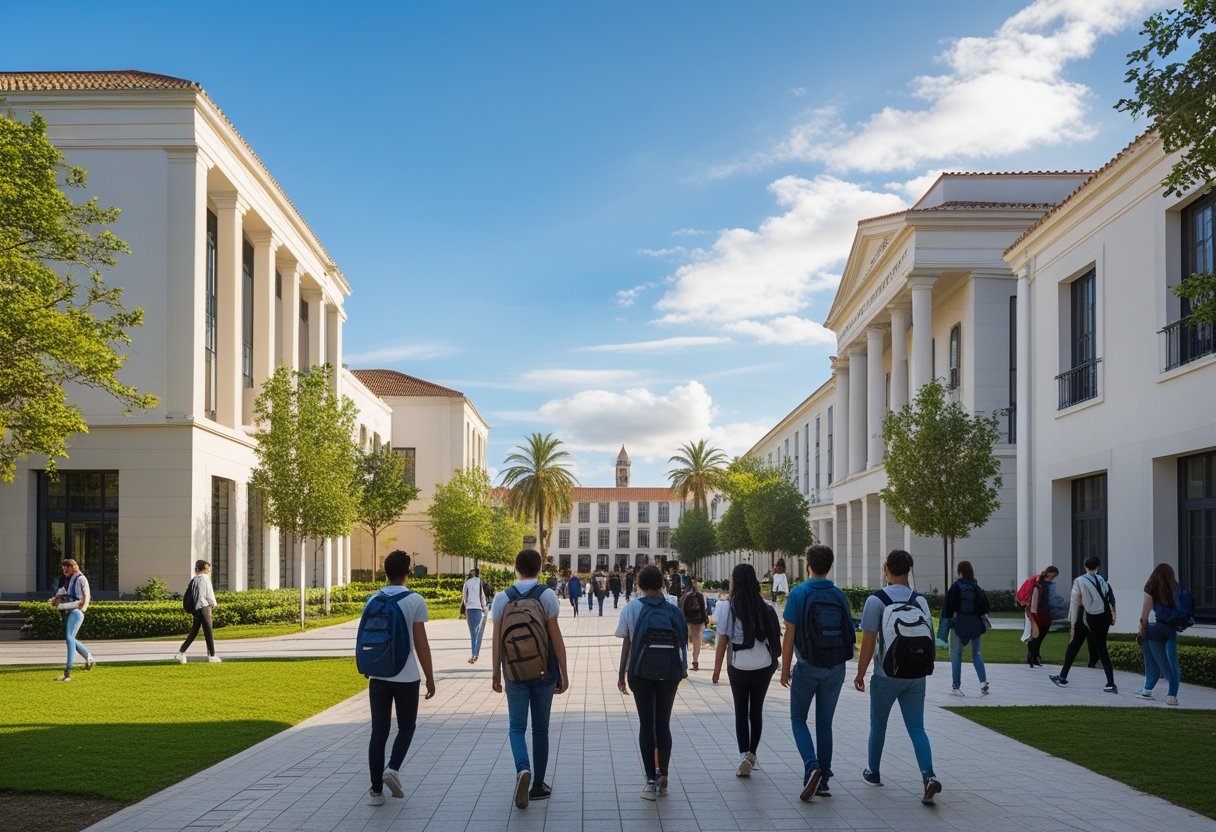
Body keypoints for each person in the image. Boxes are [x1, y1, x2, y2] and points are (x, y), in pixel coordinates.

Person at [854, 549, 942, 805]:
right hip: (916, 675)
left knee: (878, 726)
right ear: (909, 570)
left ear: (886, 569)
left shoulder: (876, 600)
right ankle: (928, 776)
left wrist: (860, 673)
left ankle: (873, 772)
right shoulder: (920, 600)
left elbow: (869, 643)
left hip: (886, 674)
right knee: (917, 728)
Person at [491, 548, 569, 809]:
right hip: (544, 671)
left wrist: (495, 673)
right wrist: (564, 672)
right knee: (541, 729)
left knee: (516, 727)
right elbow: (555, 636)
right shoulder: (546, 595)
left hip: (513, 672)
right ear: (540, 569)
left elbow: (496, 640)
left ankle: (523, 768)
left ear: (516, 568)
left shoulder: (503, 598)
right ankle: (538, 786)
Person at [362, 550, 435, 807]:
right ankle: (392, 768)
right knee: (406, 726)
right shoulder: (414, 600)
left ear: (385, 572)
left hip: (378, 675)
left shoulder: (373, 600)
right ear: (408, 572)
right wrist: (430, 678)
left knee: (378, 731)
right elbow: (422, 645)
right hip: (406, 675)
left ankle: (375, 792)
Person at [781, 544, 855, 800]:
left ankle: (811, 766)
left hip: (808, 666)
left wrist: (784, 669)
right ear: (829, 565)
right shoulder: (839, 595)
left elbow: (789, 634)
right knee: (825, 724)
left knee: (798, 720)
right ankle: (823, 780)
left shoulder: (799, 593)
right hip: (835, 667)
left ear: (808, 564)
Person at [617, 564, 688, 800]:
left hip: (640, 672)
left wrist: (621, 675)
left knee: (647, 724)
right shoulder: (673, 610)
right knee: (663, 723)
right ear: (662, 584)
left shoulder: (631, 608)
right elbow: (682, 643)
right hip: (669, 673)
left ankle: (650, 777)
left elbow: (627, 643)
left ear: (638, 585)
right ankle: (664, 773)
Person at [712, 563, 781, 778]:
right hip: (763, 665)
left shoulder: (727, 607)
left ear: (735, 581)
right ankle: (752, 754)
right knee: (756, 711)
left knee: (741, 711)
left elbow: (723, 640)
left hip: (738, 666)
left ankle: (743, 755)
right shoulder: (765, 606)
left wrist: (716, 671)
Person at [1050, 556, 1118, 694]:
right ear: (1098, 566)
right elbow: (1111, 599)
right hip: (1102, 618)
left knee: (1073, 646)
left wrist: (1072, 624)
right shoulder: (1103, 581)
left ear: (1085, 566)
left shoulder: (1079, 581)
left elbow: (1075, 604)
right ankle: (1111, 683)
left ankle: (1062, 677)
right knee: (1102, 648)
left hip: (1085, 618)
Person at [1137, 563, 1188, 706]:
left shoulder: (1151, 588)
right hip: (1171, 629)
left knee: (1153, 661)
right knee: (1172, 664)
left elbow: (1145, 615)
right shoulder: (1175, 589)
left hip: (1154, 630)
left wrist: (1142, 629)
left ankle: (1147, 690)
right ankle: (1172, 695)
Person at [939, 561, 989, 696]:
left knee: (956, 654)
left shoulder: (955, 587)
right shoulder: (976, 586)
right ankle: (983, 682)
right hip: (975, 624)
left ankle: (956, 687)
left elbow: (947, 609)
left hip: (958, 623)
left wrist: (945, 627)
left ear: (959, 572)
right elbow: (984, 608)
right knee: (976, 652)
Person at [50, 558, 94, 681]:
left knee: (69, 639)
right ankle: (88, 656)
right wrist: (55, 600)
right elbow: (57, 597)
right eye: (63, 569)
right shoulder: (69, 582)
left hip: (76, 613)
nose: (64, 571)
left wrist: (61, 605)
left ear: (74, 567)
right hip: (70, 612)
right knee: (71, 639)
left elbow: (83, 601)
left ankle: (67, 672)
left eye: (67, 568)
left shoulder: (81, 579)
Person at [176, 560, 220, 664]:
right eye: (208, 569)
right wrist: (213, 604)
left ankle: (181, 652)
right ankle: (212, 656)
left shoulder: (194, 580)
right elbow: (209, 594)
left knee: (194, 632)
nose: (209, 570)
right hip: (205, 608)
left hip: (196, 609)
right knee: (208, 632)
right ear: (205, 569)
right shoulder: (205, 579)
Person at [1024, 566, 1059, 667]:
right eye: (1053, 575)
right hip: (1038, 614)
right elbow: (1034, 604)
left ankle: (1034, 656)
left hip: (1045, 613)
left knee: (1039, 637)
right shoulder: (1038, 585)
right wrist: (1034, 616)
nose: (1054, 578)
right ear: (1049, 573)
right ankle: (1032, 657)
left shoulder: (1047, 585)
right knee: (1037, 636)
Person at [680, 577, 709, 671]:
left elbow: (682, 609)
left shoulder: (685, 596)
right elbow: (704, 609)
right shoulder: (701, 596)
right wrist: (705, 621)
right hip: (699, 621)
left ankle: (683, 662)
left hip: (688, 621)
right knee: (697, 642)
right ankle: (695, 662)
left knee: (684, 642)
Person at [462, 568, 487, 664]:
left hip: (470, 609)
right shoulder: (480, 581)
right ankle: (475, 653)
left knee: (473, 632)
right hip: (478, 608)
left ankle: (474, 654)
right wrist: (484, 607)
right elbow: (482, 596)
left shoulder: (467, 582)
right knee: (477, 632)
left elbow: (464, 597)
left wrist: (466, 606)